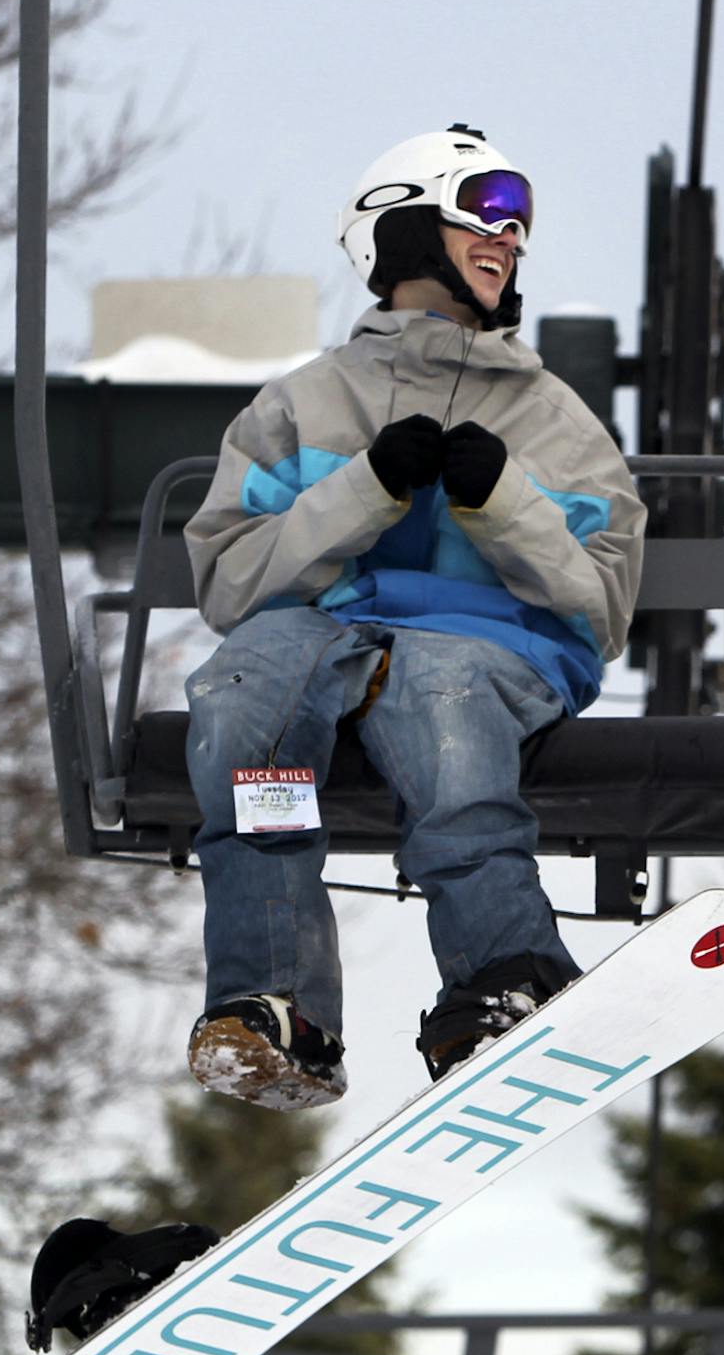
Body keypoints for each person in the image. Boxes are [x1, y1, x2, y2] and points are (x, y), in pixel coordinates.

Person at [179, 124, 646, 1109]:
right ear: (402, 230)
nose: (509, 238)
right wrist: (363, 490)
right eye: (487, 209)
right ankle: (276, 1003)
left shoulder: (554, 419)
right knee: (250, 695)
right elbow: (230, 584)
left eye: (520, 221)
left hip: (491, 650)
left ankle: (504, 974)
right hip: (320, 640)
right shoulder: (300, 409)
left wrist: (505, 501)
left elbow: (602, 602)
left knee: (438, 695)